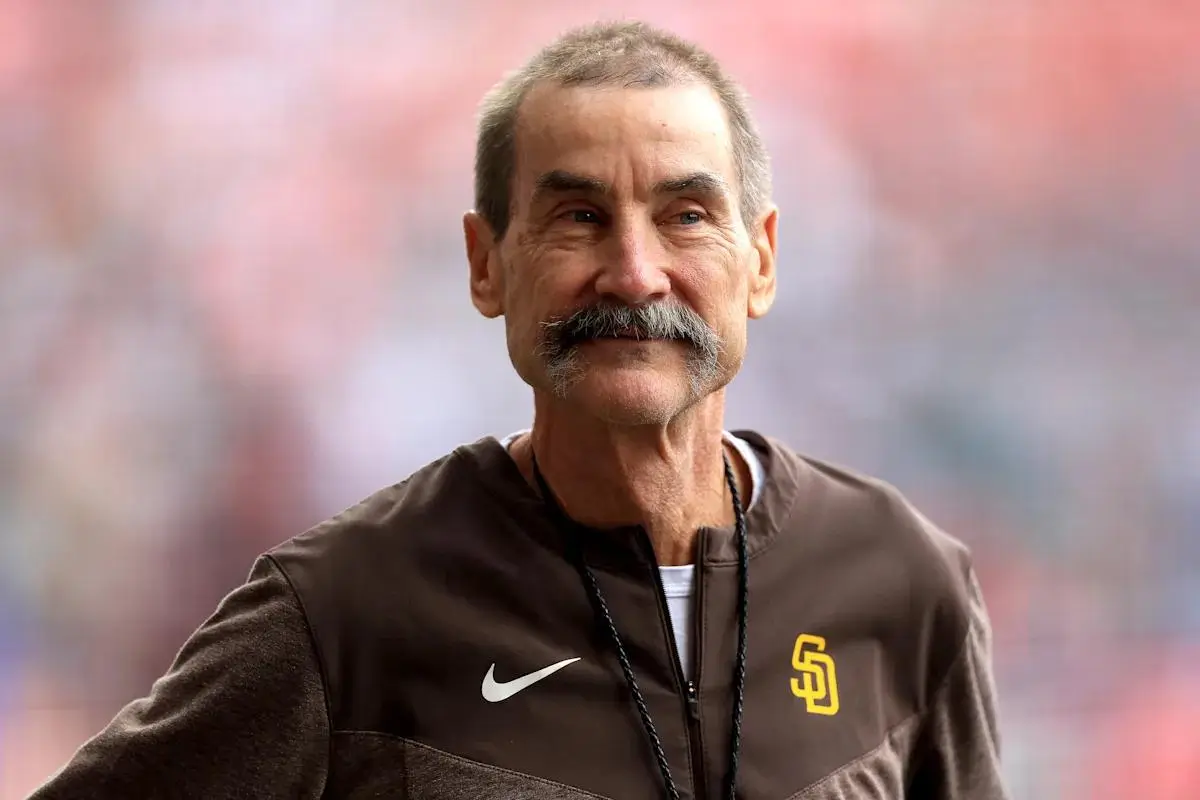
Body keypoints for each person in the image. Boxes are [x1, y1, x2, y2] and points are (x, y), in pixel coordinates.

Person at [30, 20, 1008, 800]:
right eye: (577, 216)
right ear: (486, 263)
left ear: (761, 260)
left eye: (686, 215)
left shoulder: (904, 581)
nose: (633, 270)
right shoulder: (348, 608)